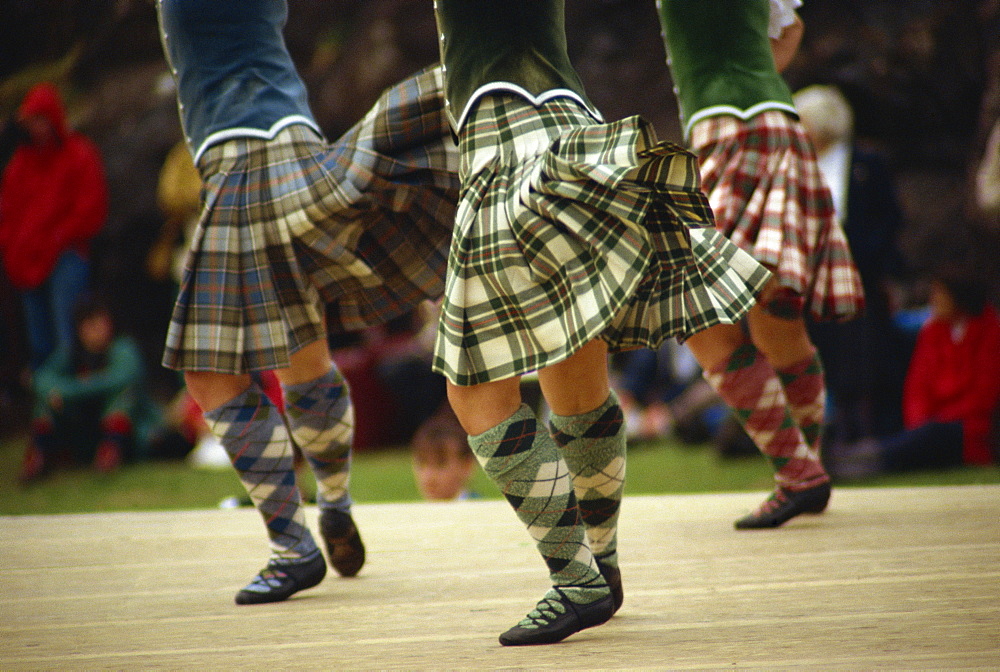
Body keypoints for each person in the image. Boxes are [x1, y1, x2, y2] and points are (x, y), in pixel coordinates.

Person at [432, 0, 770, 645]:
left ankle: (578, 579)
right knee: (573, 361)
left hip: (511, 141)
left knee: (475, 387)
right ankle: (601, 568)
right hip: (561, 127)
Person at [156, 0, 459, 605]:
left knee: (211, 375)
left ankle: (293, 550)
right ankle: (336, 503)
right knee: (302, 353)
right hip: (294, 151)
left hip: (244, 163)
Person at [656, 0, 865, 529]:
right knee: (777, 321)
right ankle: (804, 472)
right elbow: (790, 25)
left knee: (697, 314)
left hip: (731, 134)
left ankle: (799, 475)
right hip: (774, 125)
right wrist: (750, 70)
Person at [794, 83, 911, 446]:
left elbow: (889, 217)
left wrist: (861, 257)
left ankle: (861, 437)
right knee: (813, 357)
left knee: (860, 358)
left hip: (858, 276)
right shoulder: (793, 166)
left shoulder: (866, 163)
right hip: (808, 279)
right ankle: (817, 438)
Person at [827, 266, 1000, 478]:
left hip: (969, 427)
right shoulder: (933, 332)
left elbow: (984, 393)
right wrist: (921, 423)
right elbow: (917, 386)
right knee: (922, 437)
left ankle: (855, 463)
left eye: (939, 293)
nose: (933, 300)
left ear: (960, 297)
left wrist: (939, 421)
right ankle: (856, 460)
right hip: (930, 426)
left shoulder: (989, 332)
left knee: (931, 435)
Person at [0, 82, 108, 371]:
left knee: (68, 337)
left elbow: (91, 210)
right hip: (25, 263)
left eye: (41, 118)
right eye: (31, 120)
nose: (36, 127)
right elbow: (8, 215)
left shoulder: (79, 154)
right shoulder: (19, 165)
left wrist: (58, 238)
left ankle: (78, 398)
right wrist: (13, 253)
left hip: (65, 254)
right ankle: (49, 406)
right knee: (38, 342)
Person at [19, 295, 164, 481]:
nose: (95, 330)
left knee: (124, 395)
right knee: (49, 399)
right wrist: (59, 392)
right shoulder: (71, 353)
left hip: (126, 432)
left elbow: (120, 379)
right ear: (78, 329)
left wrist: (72, 388)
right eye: (87, 324)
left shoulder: (123, 348)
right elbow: (41, 378)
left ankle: (110, 453)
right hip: (80, 426)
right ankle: (38, 456)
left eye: (99, 322)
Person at [410, 403, 478, 501]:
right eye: (422, 463)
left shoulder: (481, 512)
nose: (429, 477)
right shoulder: (415, 514)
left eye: (440, 464)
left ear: (467, 466)